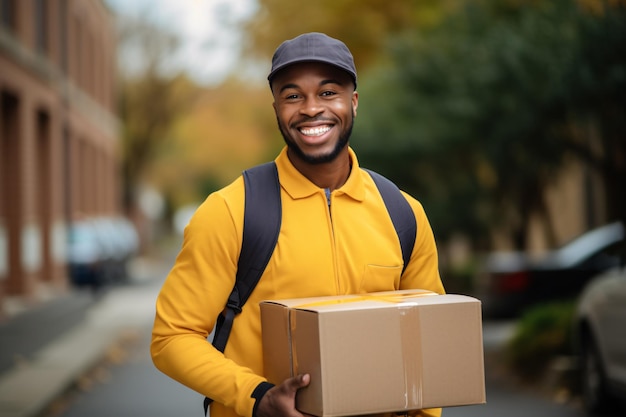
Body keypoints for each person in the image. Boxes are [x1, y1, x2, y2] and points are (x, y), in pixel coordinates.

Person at [151, 32, 445, 417]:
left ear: (353, 103)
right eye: (293, 96)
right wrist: (256, 397)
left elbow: (428, 341)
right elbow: (172, 339)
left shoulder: (403, 213)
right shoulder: (231, 210)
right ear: (276, 108)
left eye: (328, 92)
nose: (310, 109)